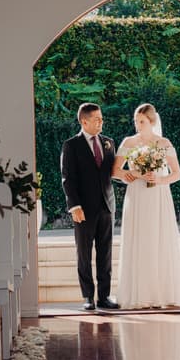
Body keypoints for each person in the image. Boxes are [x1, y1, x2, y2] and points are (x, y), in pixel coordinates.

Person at [113, 102, 180, 308]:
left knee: (158, 240)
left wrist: (159, 179)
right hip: (137, 196)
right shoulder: (129, 142)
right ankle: (139, 294)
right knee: (139, 239)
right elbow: (115, 171)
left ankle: (160, 294)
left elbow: (177, 174)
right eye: (136, 121)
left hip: (158, 196)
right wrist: (134, 173)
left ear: (152, 122)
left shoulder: (163, 143)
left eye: (142, 122)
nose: (138, 125)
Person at [61, 103, 120, 310]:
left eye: (101, 118)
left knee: (105, 254)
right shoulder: (71, 145)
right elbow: (68, 178)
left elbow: (114, 172)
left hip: (107, 206)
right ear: (84, 121)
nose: (101, 122)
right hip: (83, 209)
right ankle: (88, 297)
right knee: (84, 254)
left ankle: (104, 296)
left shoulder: (109, 143)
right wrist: (74, 206)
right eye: (97, 119)